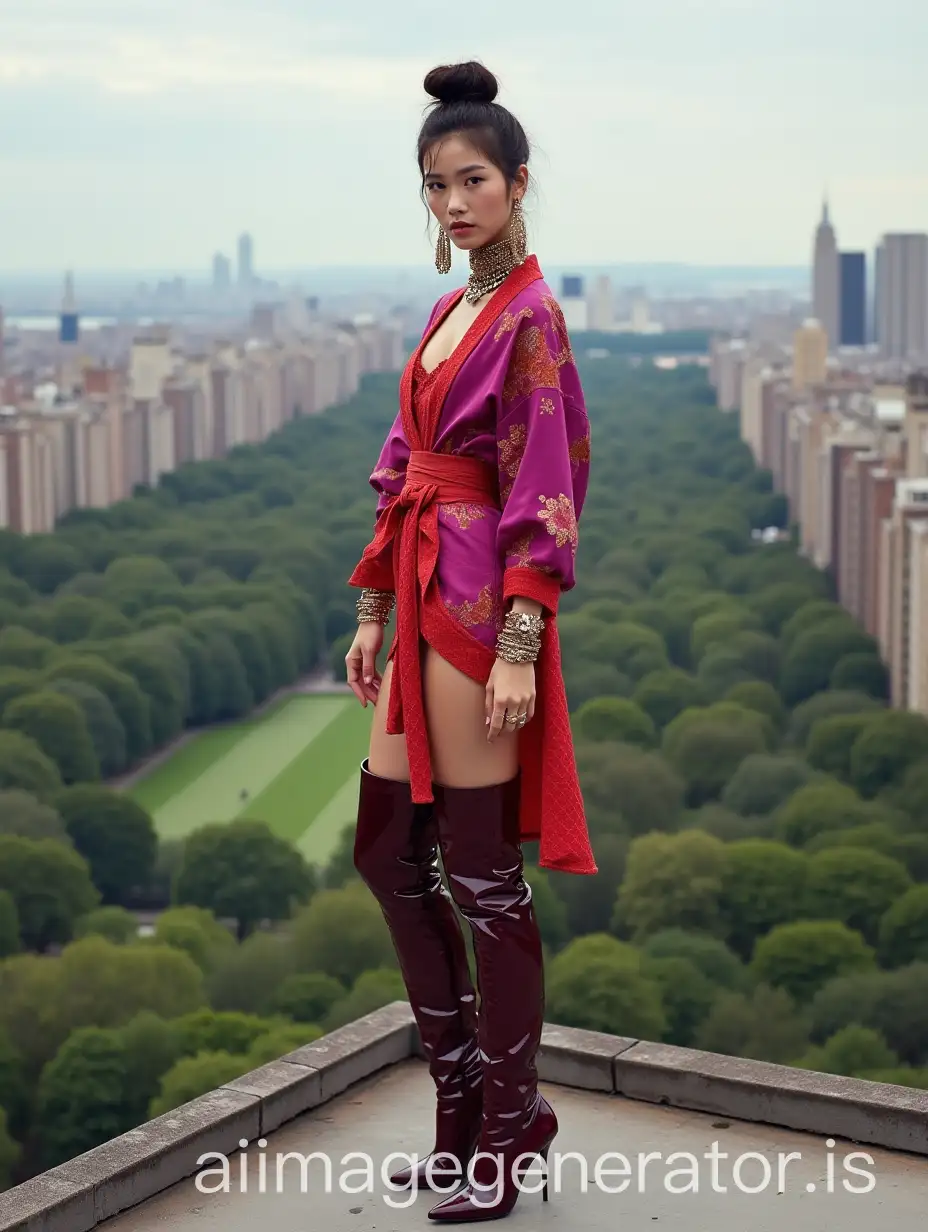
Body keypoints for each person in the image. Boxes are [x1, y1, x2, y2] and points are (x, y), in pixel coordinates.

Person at [344, 59, 596, 1222]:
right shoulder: (452, 312)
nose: (453, 201)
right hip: (416, 585)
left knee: (487, 882)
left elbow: (547, 485)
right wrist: (369, 613)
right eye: (435, 183)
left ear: (517, 182)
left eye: (474, 179)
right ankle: (460, 1108)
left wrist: (516, 640)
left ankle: (508, 1125)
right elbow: (403, 463)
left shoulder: (532, 318)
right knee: (389, 858)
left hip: (478, 599)